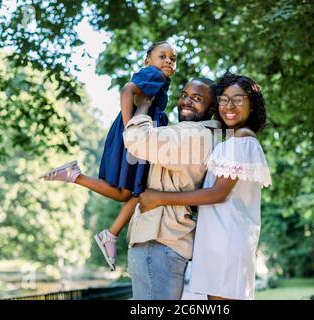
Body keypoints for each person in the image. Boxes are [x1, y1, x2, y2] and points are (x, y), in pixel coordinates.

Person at [38, 41, 176, 271]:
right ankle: (106, 229)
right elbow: (127, 91)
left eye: (173, 58)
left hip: (141, 132)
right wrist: (129, 129)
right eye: (162, 56)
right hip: (136, 132)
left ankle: (108, 230)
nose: (168, 60)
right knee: (136, 191)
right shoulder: (152, 74)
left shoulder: (160, 79)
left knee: (133, 192)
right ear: (148, 60)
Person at [139, 73, 271, 300]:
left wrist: (159, 197)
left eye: (238, 99)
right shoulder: (231, 140)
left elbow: (217, 193)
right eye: (224, 99)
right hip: (219, 240)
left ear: (252, 105)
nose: (229, 106)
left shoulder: (242, 139)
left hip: (227, 242)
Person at [122, 77, 221, 300]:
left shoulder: (194, 135)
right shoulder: (208, 136)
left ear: (212, 107)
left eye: (197, 98)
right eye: (184, 95)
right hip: (166, 242)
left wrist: (144, 107)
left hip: (158, 239)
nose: (186, 101)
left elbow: (138, 140)